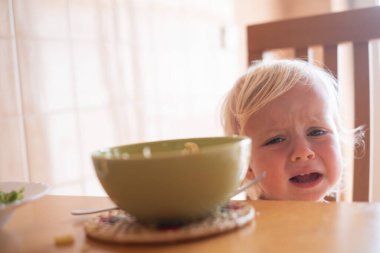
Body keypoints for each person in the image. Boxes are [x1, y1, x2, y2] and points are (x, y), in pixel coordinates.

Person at [221, 59, 364, 201]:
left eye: (317, 132)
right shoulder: (251, 222)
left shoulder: (345, 219)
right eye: (276, 140)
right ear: (246, 165)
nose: (303, 152)